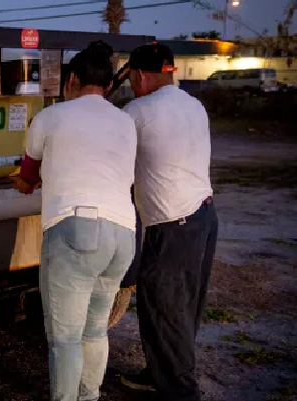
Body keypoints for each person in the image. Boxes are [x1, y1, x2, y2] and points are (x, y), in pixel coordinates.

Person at [16, 41, 137, 401]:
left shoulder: (52, 116)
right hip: (123, 237)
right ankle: (90, 396)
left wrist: (29, 180)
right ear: (110, 86)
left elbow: (27, 176)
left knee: (65, 338)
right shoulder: (126, 122)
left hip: (76, 232)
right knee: (95, 330)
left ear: (71, 79)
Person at [119, 44, 218, 401]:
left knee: (165, 306)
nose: (130, 85)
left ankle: (181, 391)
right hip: (204, 216)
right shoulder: (193, 104)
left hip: (172, 222)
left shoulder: (138, 111)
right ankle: (159, 373)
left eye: (131, 78)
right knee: (182, 304)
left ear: (142, 75)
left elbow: (113, 158)